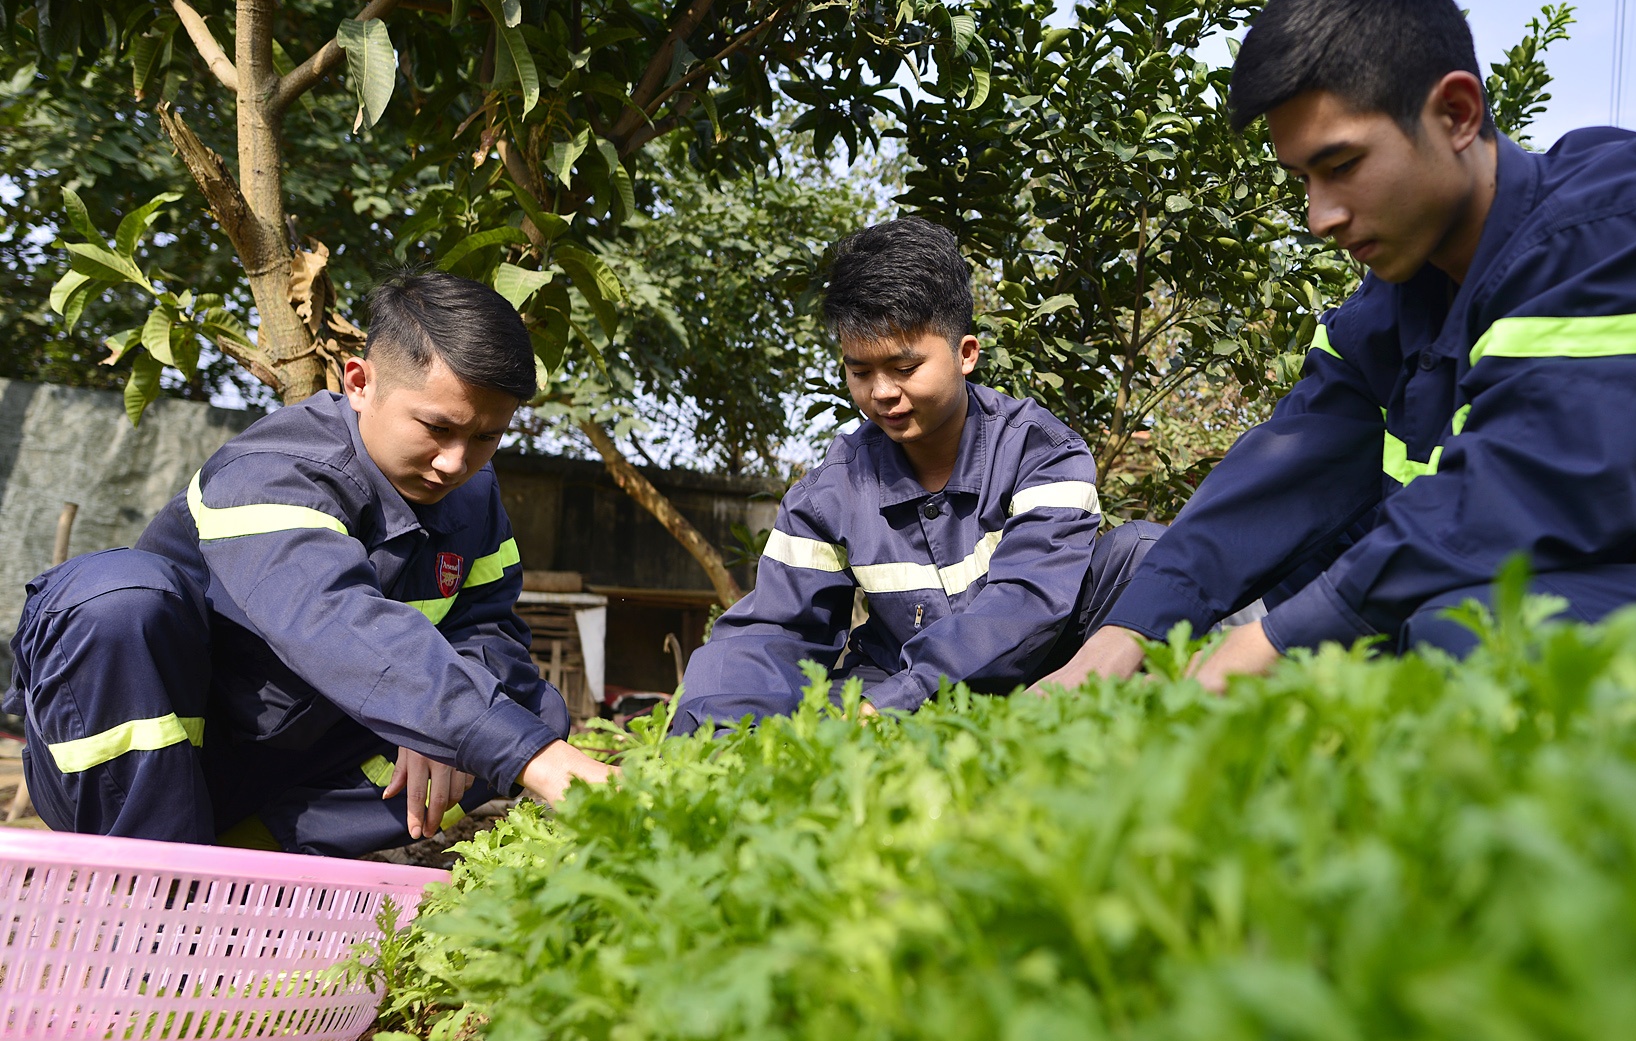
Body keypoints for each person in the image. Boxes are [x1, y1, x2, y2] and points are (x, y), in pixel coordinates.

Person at [1044, 0, 1636, 693]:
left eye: (1342, 166)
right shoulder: (1391, 309)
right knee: (1405, 639)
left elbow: (1530, 488)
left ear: (1457, 112)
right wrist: (1133, 627)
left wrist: (1278, 636)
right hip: (1555, 601)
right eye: (1303, 180)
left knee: (1450, 634)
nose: (1320, 216)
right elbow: (1285, 469)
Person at [4, 272, 611, 854]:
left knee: (520, 707)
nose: (456, 462)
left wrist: (444, 726)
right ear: (359, 382)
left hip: (286, 767)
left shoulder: (471, 497)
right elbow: (335, 623)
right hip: (156, 763)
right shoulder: (273, 471)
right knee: (114, 601)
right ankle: (149, 877)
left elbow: (488, 627)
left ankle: (252, 862)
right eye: (437, 427)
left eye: (486, 437)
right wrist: (534, 758)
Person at [673, 217, 1158, 730]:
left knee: (1145, 555)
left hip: (1049, 670)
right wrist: (713, 735)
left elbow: (1026, 604)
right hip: (889, 684)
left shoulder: (1044, 452)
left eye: (904, 369)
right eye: (860, 372)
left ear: (965, 354)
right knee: (781, 711)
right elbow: (772, 632)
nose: (881, 392)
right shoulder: (826, 497)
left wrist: (894, 703)